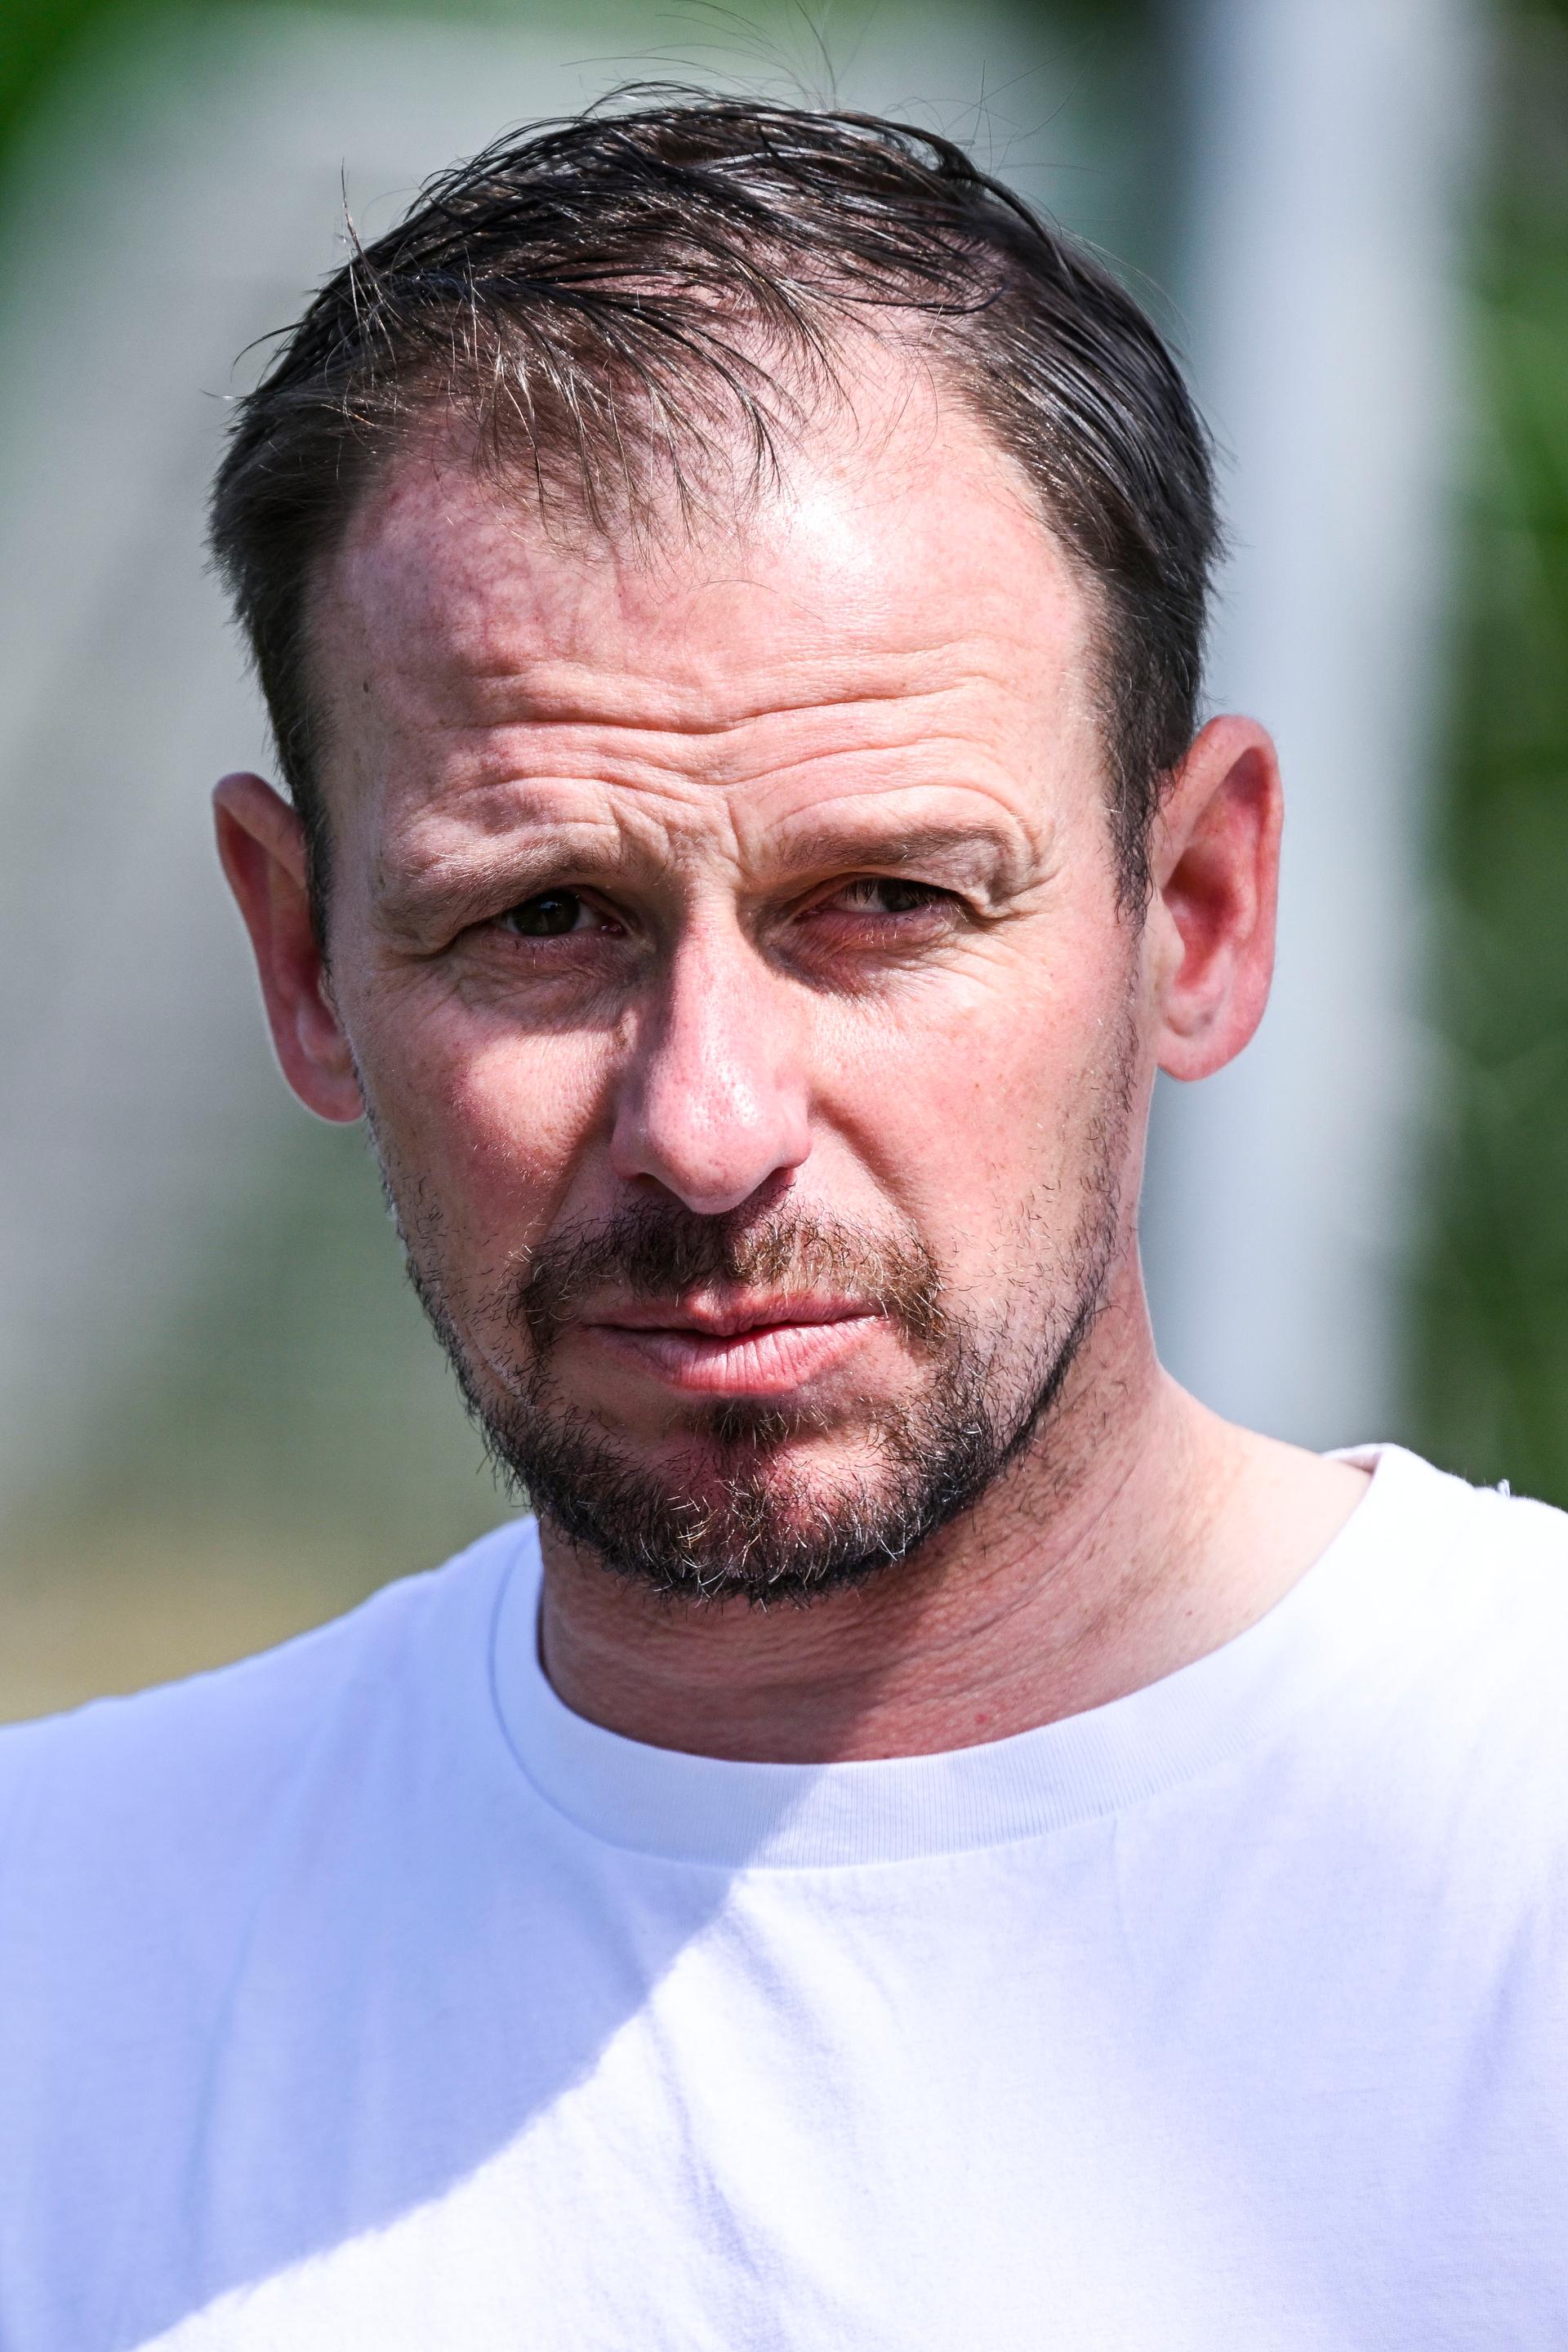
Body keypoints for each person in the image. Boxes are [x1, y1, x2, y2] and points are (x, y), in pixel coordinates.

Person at [1, 93, 1563, 2352]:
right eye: (543, 916)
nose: (709, 1127)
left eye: (886, 902)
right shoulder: (61, 1970)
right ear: (299, 958)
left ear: (1199, 912)